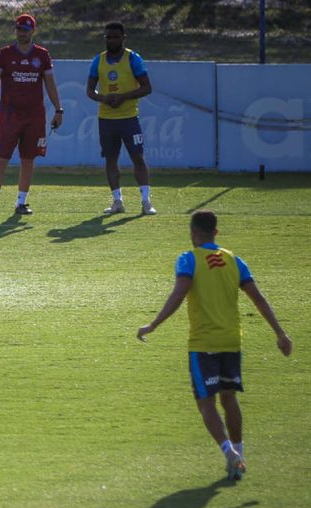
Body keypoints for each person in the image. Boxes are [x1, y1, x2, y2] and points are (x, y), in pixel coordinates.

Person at [137, 210, 292, 481]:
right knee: (229, 398)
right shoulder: (235, 261)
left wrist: (154, 324)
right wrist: (280, 333)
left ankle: (228, 451)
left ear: (193, 232)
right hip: (232, 340)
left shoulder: (189, 259)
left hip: (203, 342)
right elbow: (259, 299)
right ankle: (240, 454)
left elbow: (179, 294)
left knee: (205, 403)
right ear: (216, 233)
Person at [0, 13, 63, 218]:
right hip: (9, 116)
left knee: (28, 158)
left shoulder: (42, 55)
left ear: (32, 31)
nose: (21, 33)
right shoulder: (5, 54)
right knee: (0, 158)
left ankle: (22, 202)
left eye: (25, 30)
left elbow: (50, 85)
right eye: (18, 29)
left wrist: (58, 109)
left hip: (35, 116)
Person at [86, 21, 156, 216]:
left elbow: (147, 87)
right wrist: (103, 98)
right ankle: (117, 201)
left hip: (128, 118)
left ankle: (145, 201)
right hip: (106, 119)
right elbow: (90, 91)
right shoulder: (97, 61)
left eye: (116, 37)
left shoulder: (133, 59)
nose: (112, 40)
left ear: (123, 38)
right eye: (108, 37)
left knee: (137, 158)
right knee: (111, 159)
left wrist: (123, 97)